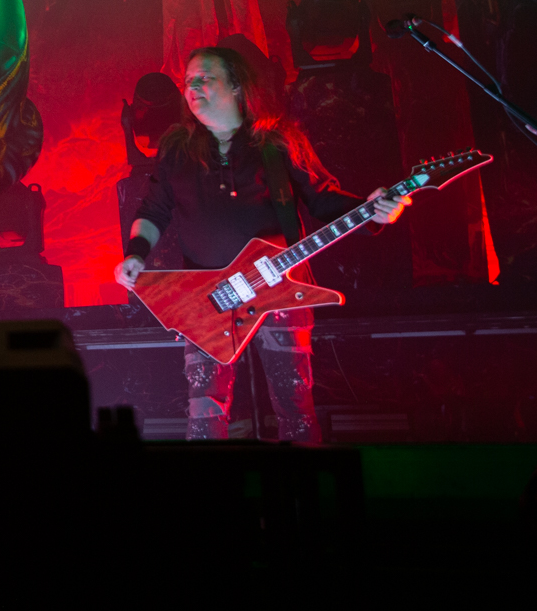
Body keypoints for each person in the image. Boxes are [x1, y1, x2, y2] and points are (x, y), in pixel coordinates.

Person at [114, 47, 408, 442]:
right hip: (208, 298)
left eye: (205, 78)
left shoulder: (276, 142)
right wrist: (135, 254)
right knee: (204, 415)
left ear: (236, 85)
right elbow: (153, 210)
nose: (192, 87)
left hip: (281, 289)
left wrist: (372, 211)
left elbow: (323, 198)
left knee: (294, 406)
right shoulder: (177, 148)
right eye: (188, 81)